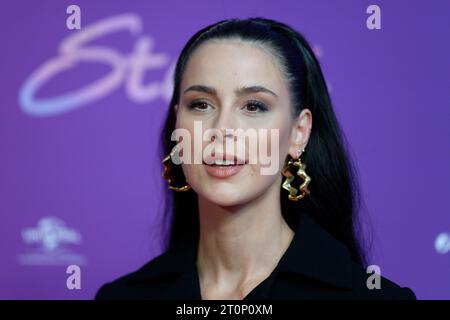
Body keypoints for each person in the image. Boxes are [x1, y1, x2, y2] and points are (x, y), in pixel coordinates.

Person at [95, 17, 416, 300]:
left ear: (298, 132)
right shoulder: (124, 296)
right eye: (201, 105)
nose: (221, 130)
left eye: (253, 106)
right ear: (177, 123)